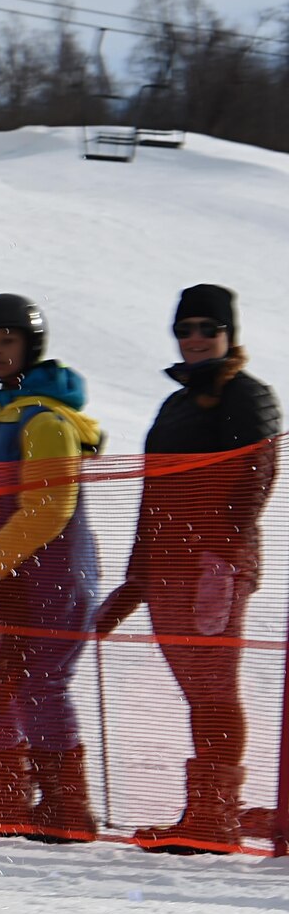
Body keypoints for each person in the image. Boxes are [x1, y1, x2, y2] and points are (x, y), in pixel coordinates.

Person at [95, 285, 281, 852]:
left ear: (230, 334)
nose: (196, 338)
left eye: (208, 328)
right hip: (167, 567)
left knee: (213, 687)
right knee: (198, 690)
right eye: (186, 328)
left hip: (211, 567)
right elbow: (153, 497)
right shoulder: (175, 403)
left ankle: (214, 815)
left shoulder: (249, 396)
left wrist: (221, 564)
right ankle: (204, 811)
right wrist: (134, 582)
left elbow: (256, 481)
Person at [0, 293, 104, 842]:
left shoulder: (47, 420)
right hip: (9, 570)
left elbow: (50, 506)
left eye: (7, 342)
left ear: (31, 346)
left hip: (53, 572)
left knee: (39, 686)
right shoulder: (2, 412)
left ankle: (66, 808)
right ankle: (5, 796)